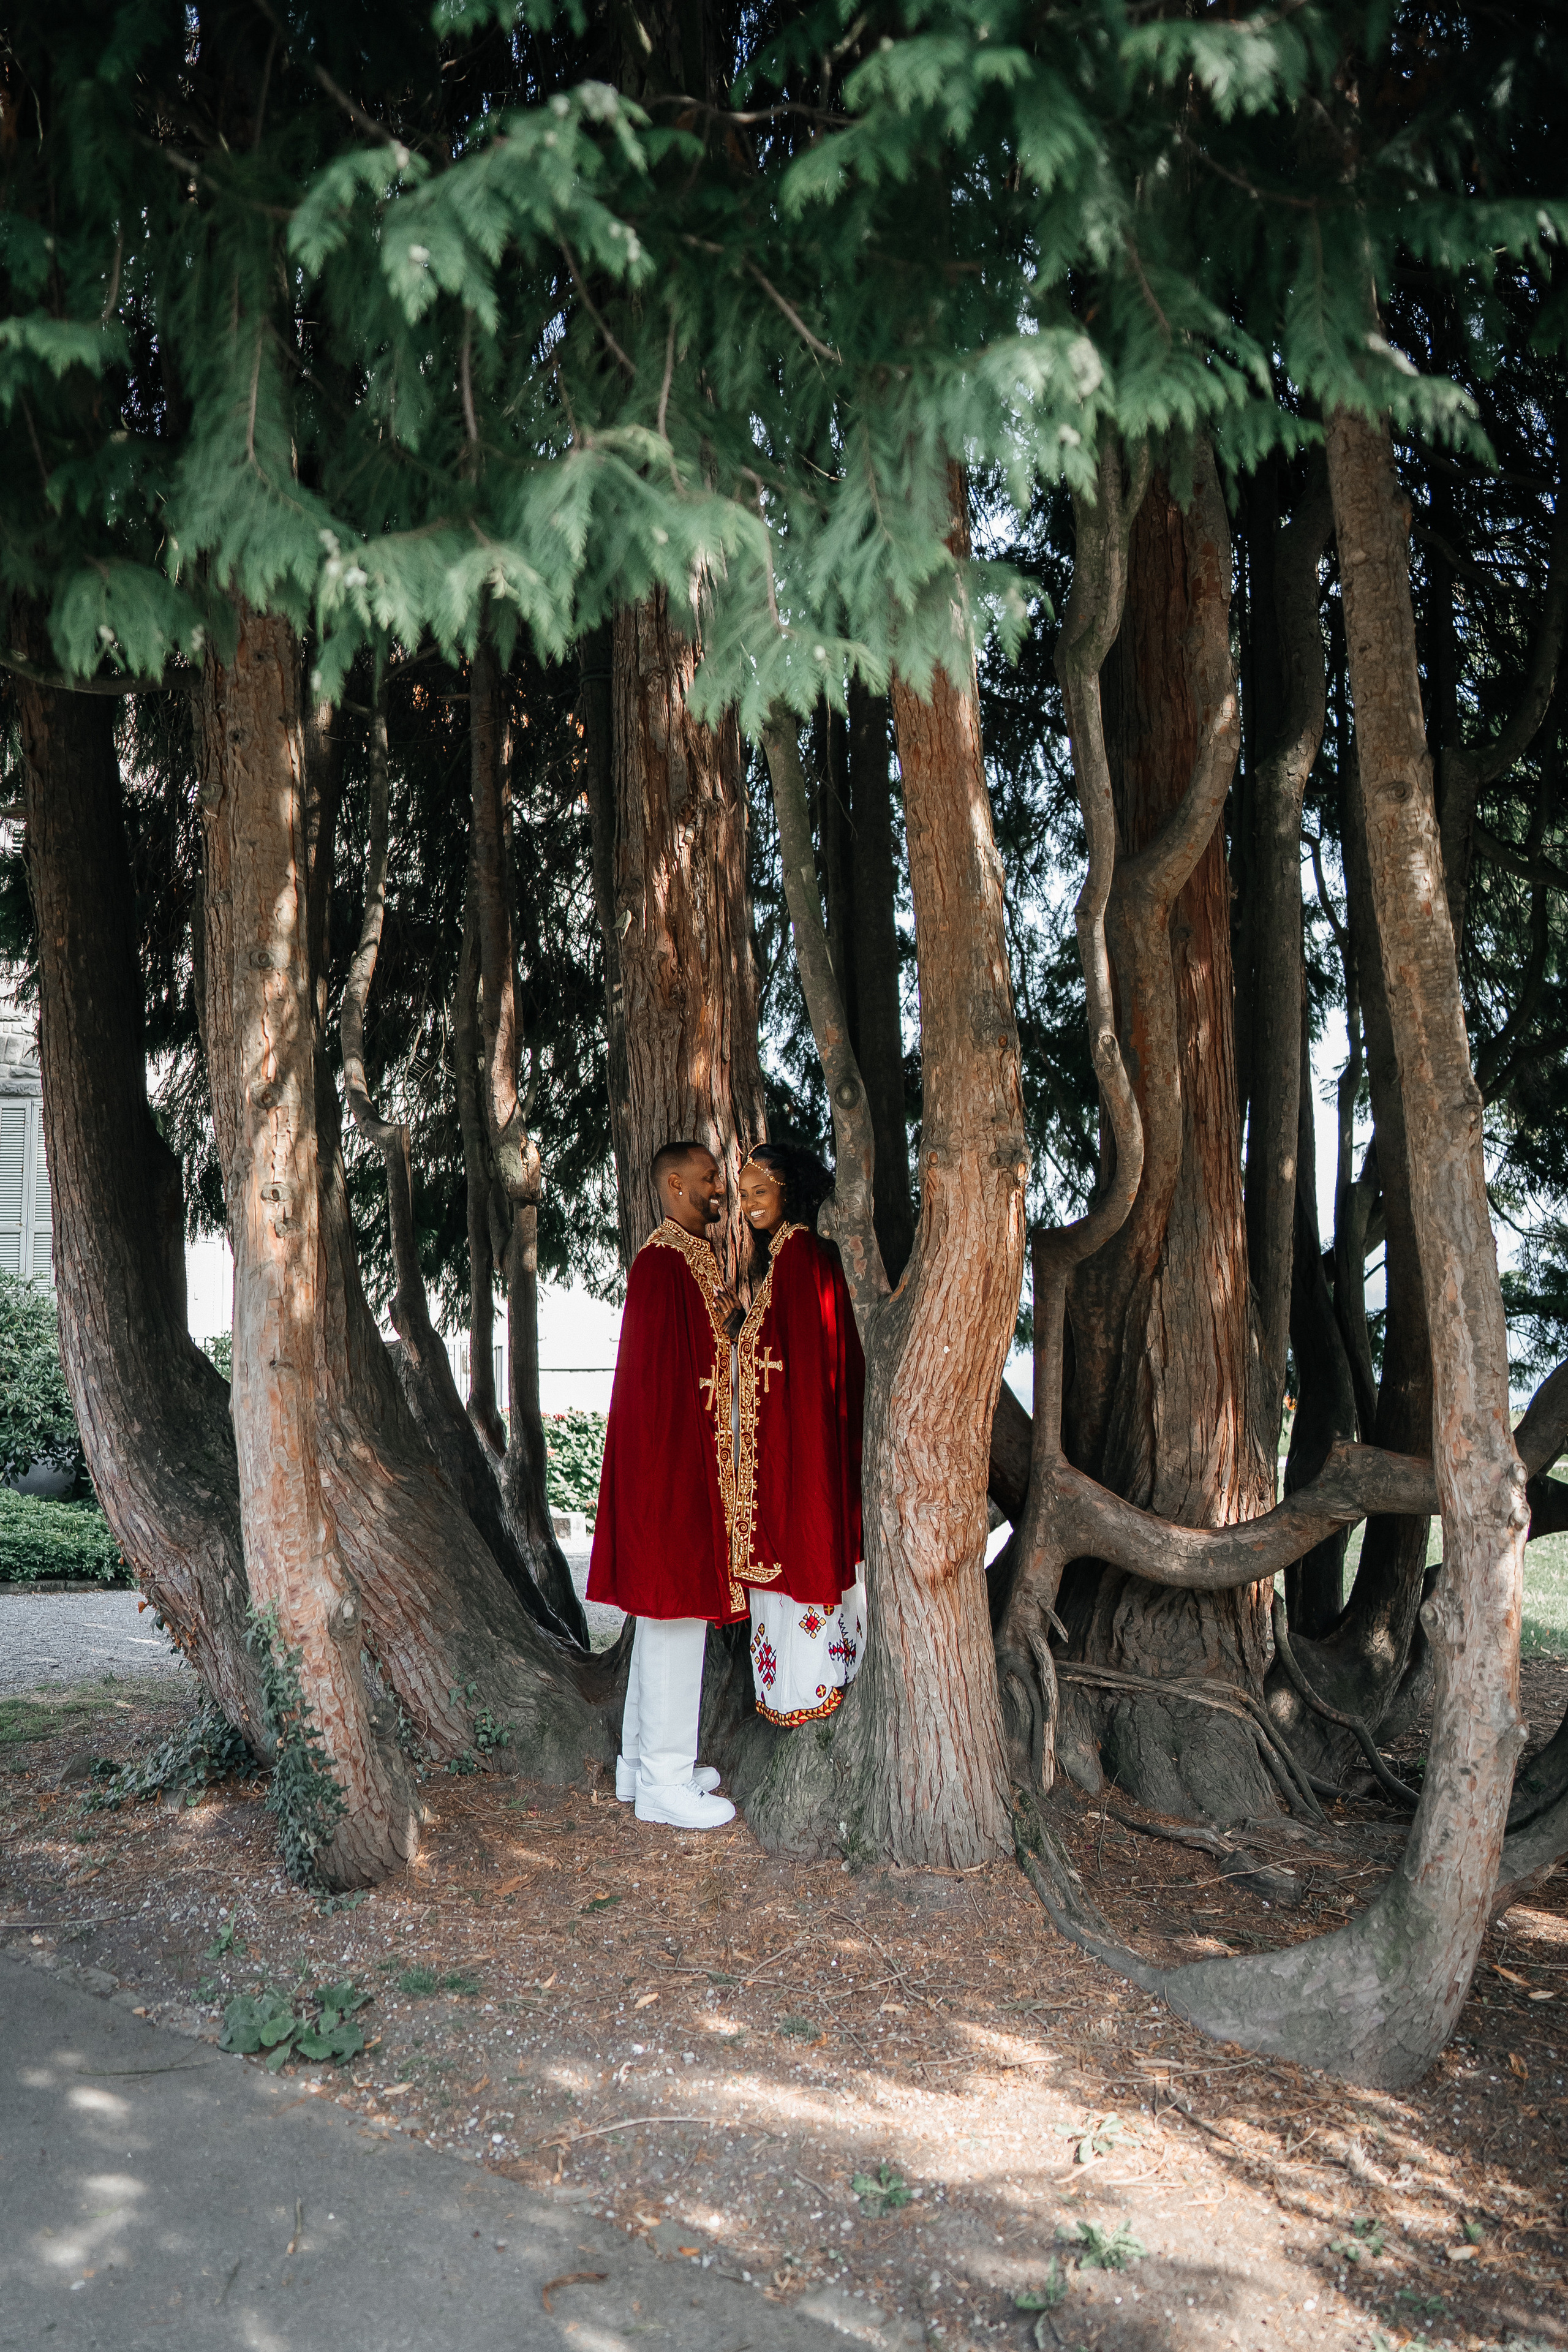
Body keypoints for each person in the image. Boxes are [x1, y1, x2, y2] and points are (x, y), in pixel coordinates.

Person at [586, 1140, 745, 1828]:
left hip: (679, 1468)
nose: (720, 1189)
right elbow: (662, 1392)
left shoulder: (686, 1258)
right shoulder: (661, 1263)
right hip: (673, 1472)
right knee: (675, 1619)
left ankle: (640, 1765)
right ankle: (666, 1783)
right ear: (675, 1184)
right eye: (710, 1179)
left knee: (660, 1623)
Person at [731, 1144, 867, 1725]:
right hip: (790, 1440)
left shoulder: (798, 1259)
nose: (748, 1206)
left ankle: (807, 1685)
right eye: (741, 1196)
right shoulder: (800, 1257)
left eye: (760, 1192)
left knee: (798, 1549)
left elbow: (805, 1373)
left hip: (795, 1446)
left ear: (790, 1191)